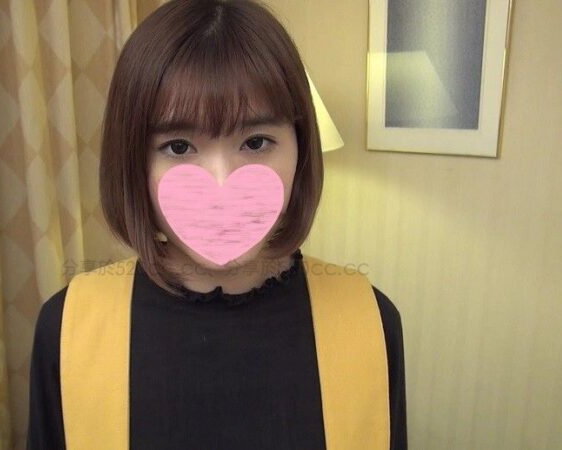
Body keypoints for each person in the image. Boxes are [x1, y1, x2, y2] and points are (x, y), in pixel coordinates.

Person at [27, 0, 407, 448]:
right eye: (178, 147)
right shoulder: (68, 327)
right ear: (133, 163)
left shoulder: (371, 320)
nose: (222, 182)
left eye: (256, 142)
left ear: (301, 150)